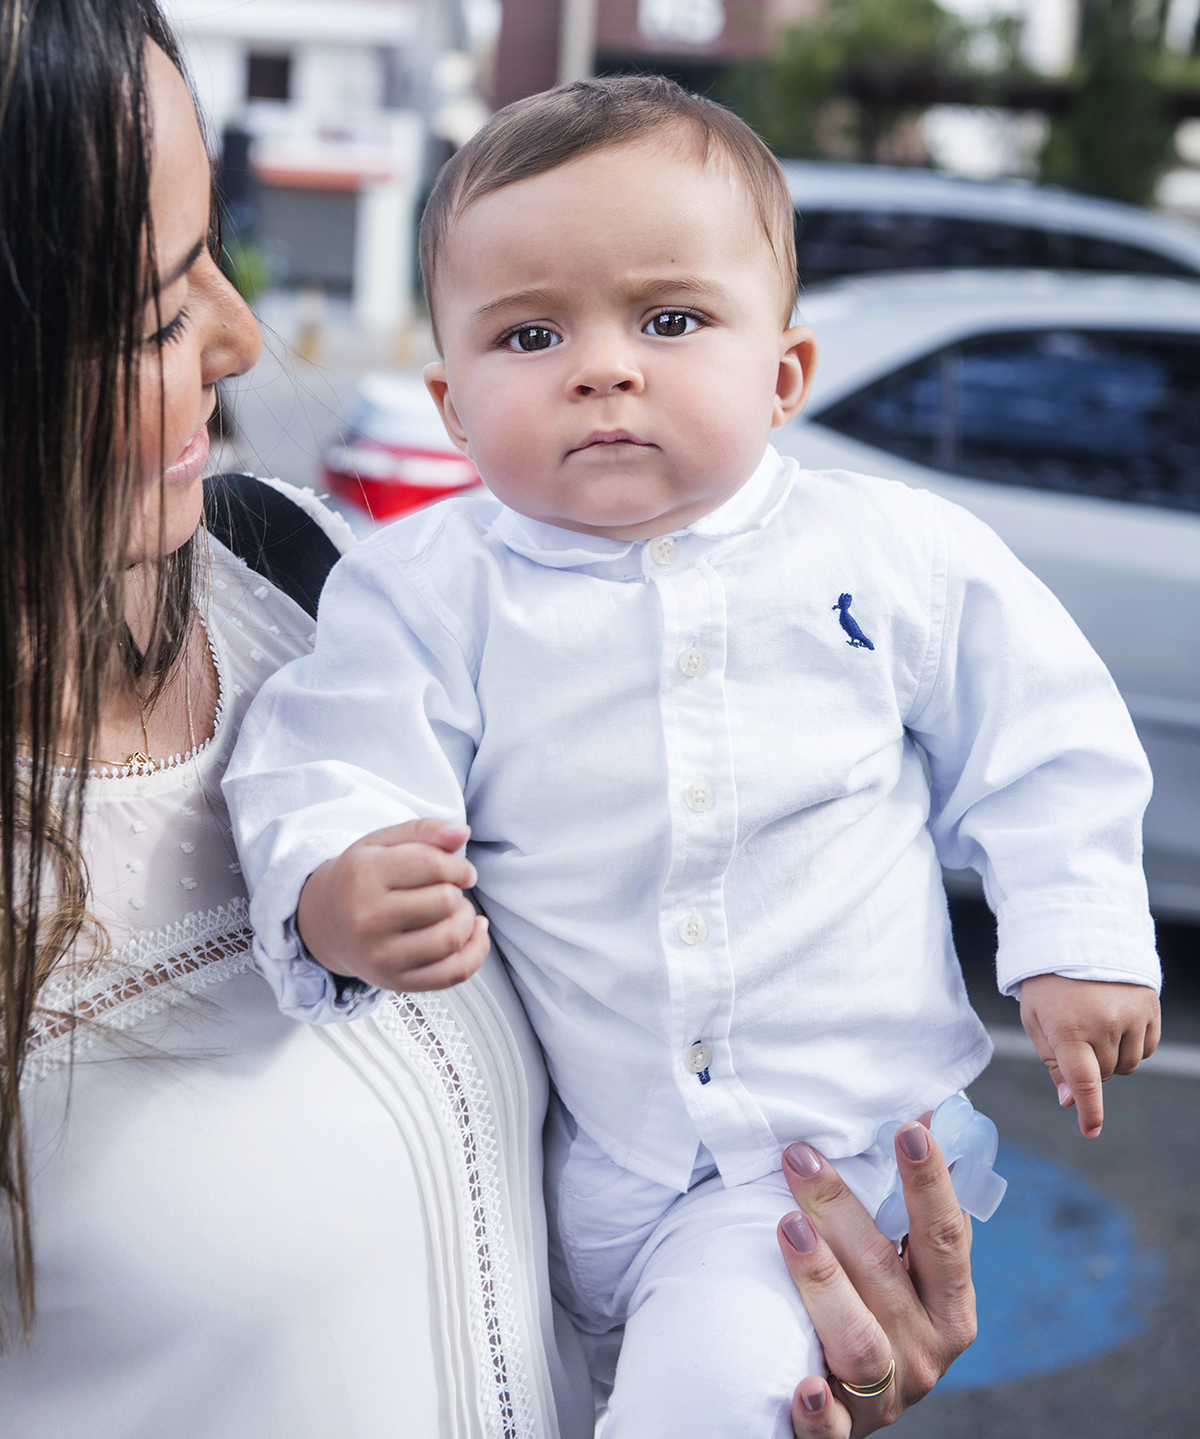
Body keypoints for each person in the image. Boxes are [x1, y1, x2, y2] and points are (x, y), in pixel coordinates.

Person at [0, 0, 977, 1439]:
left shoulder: (330, 596)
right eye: (153, 307)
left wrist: (768, 1330)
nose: (245, 340)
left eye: (218, 258)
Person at [228, 75, 1162, 1438]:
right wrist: (331, 884)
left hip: (838, 1146)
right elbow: (329, 760)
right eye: (531, 331)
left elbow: (1046, 737)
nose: (604, 364)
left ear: (783, 373)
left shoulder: (896, 551)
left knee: (711, 1399)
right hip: (594, 1175)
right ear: (452, 401)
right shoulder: (427, 589)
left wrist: (1076, 935)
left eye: (670, 319)